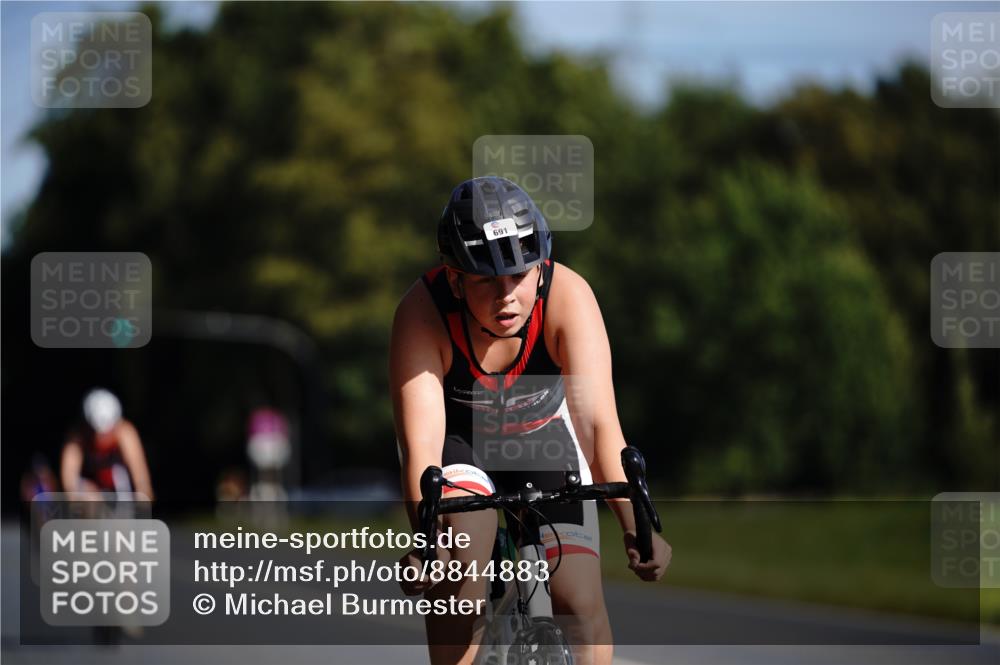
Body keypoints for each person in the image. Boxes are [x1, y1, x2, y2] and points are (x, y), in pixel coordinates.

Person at [390, 176, 671, 665]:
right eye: (484, 280)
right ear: (454, 279)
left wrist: (638, 527)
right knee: (462, 572)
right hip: (458, 444)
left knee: (578, 604)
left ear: (541, 268)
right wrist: (428, 540)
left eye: (519, 276)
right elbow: (422, 449)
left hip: (540, 437)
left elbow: (599, 426)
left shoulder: (569, 298)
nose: (507, 296)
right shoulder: (421, 314)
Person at [60, 388, 154, 501]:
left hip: (121, 491)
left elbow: (142, 481)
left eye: (107, 431)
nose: (102, 437)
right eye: (96, 431)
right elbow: (69, 483)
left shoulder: (126, 433)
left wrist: (141, 502)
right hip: (93, 493)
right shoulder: (76, 439)